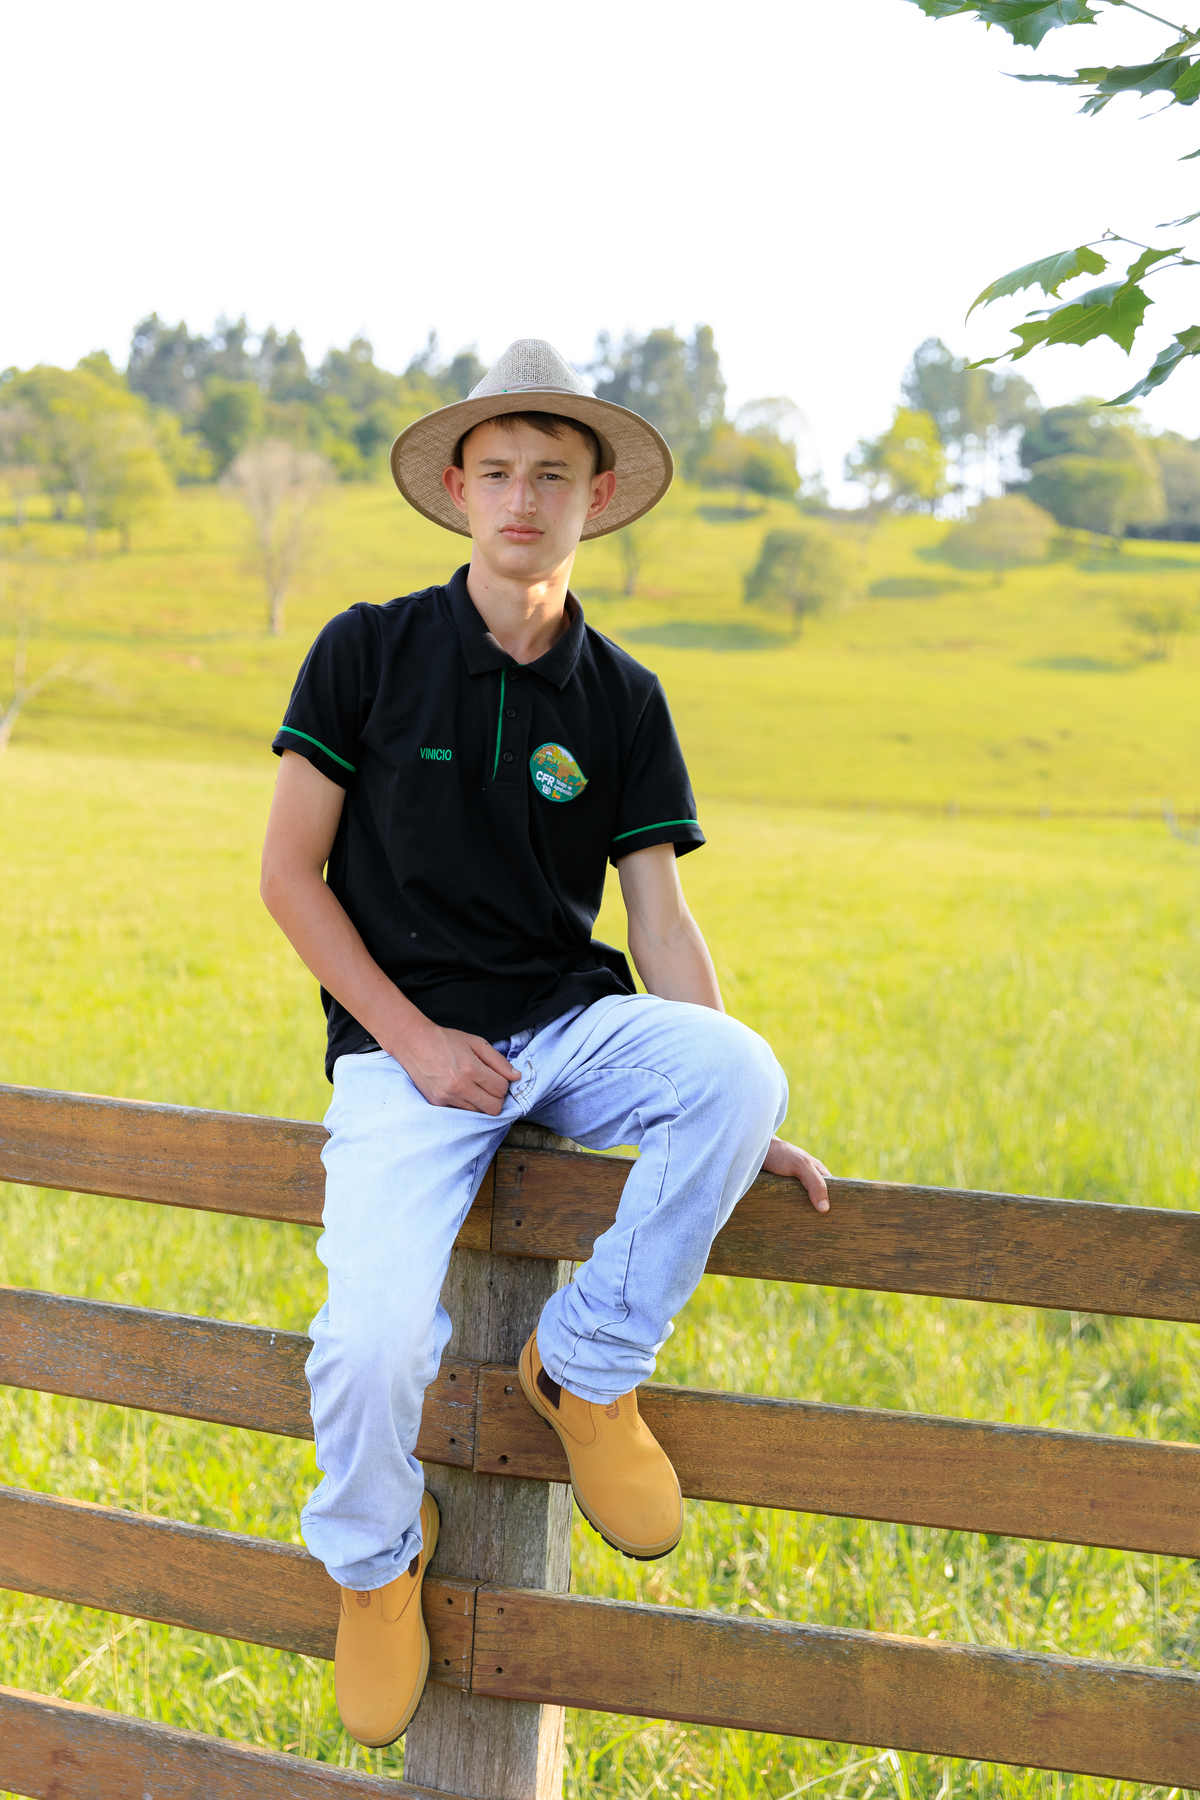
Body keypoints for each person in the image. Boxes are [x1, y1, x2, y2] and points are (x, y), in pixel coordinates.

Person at [260, 339, 831, 1750]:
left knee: (739, 1067)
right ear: (459, 489)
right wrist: (413, 1039)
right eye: (501, 472)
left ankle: (584, 1366)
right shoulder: (366, 650)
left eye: (554, 476)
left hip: (571, 1027)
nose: (525, 499)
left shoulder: (623, 696)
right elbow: (288, 877)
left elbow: (660, 919)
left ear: (599, 496)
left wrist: (738, 1121)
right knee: (369, 1345)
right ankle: (374, 1564)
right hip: (405, 1054)